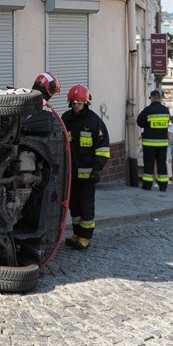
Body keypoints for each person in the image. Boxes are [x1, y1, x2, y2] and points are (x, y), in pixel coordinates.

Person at [61, 84, 111, 250]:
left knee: (86, 206)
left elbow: (103, 148)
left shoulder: (95, 122)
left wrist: (97, 169)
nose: (76, 106)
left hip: (88, 175)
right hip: (71, 174)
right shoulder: (66, 119)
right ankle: (76, 234)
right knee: (73, 206)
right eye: (74, 103)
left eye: (79, 103)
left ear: (86, 103)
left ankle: (85, 238)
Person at [137, 89, 171, 191]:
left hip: (149, 143)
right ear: (160, 98)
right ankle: (163, 186)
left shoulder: (148, 110)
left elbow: (140, 122)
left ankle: (147, 185)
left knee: (149, 164)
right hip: (162, 143)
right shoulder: (166, 110)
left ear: (151, 98)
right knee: (162, 164)